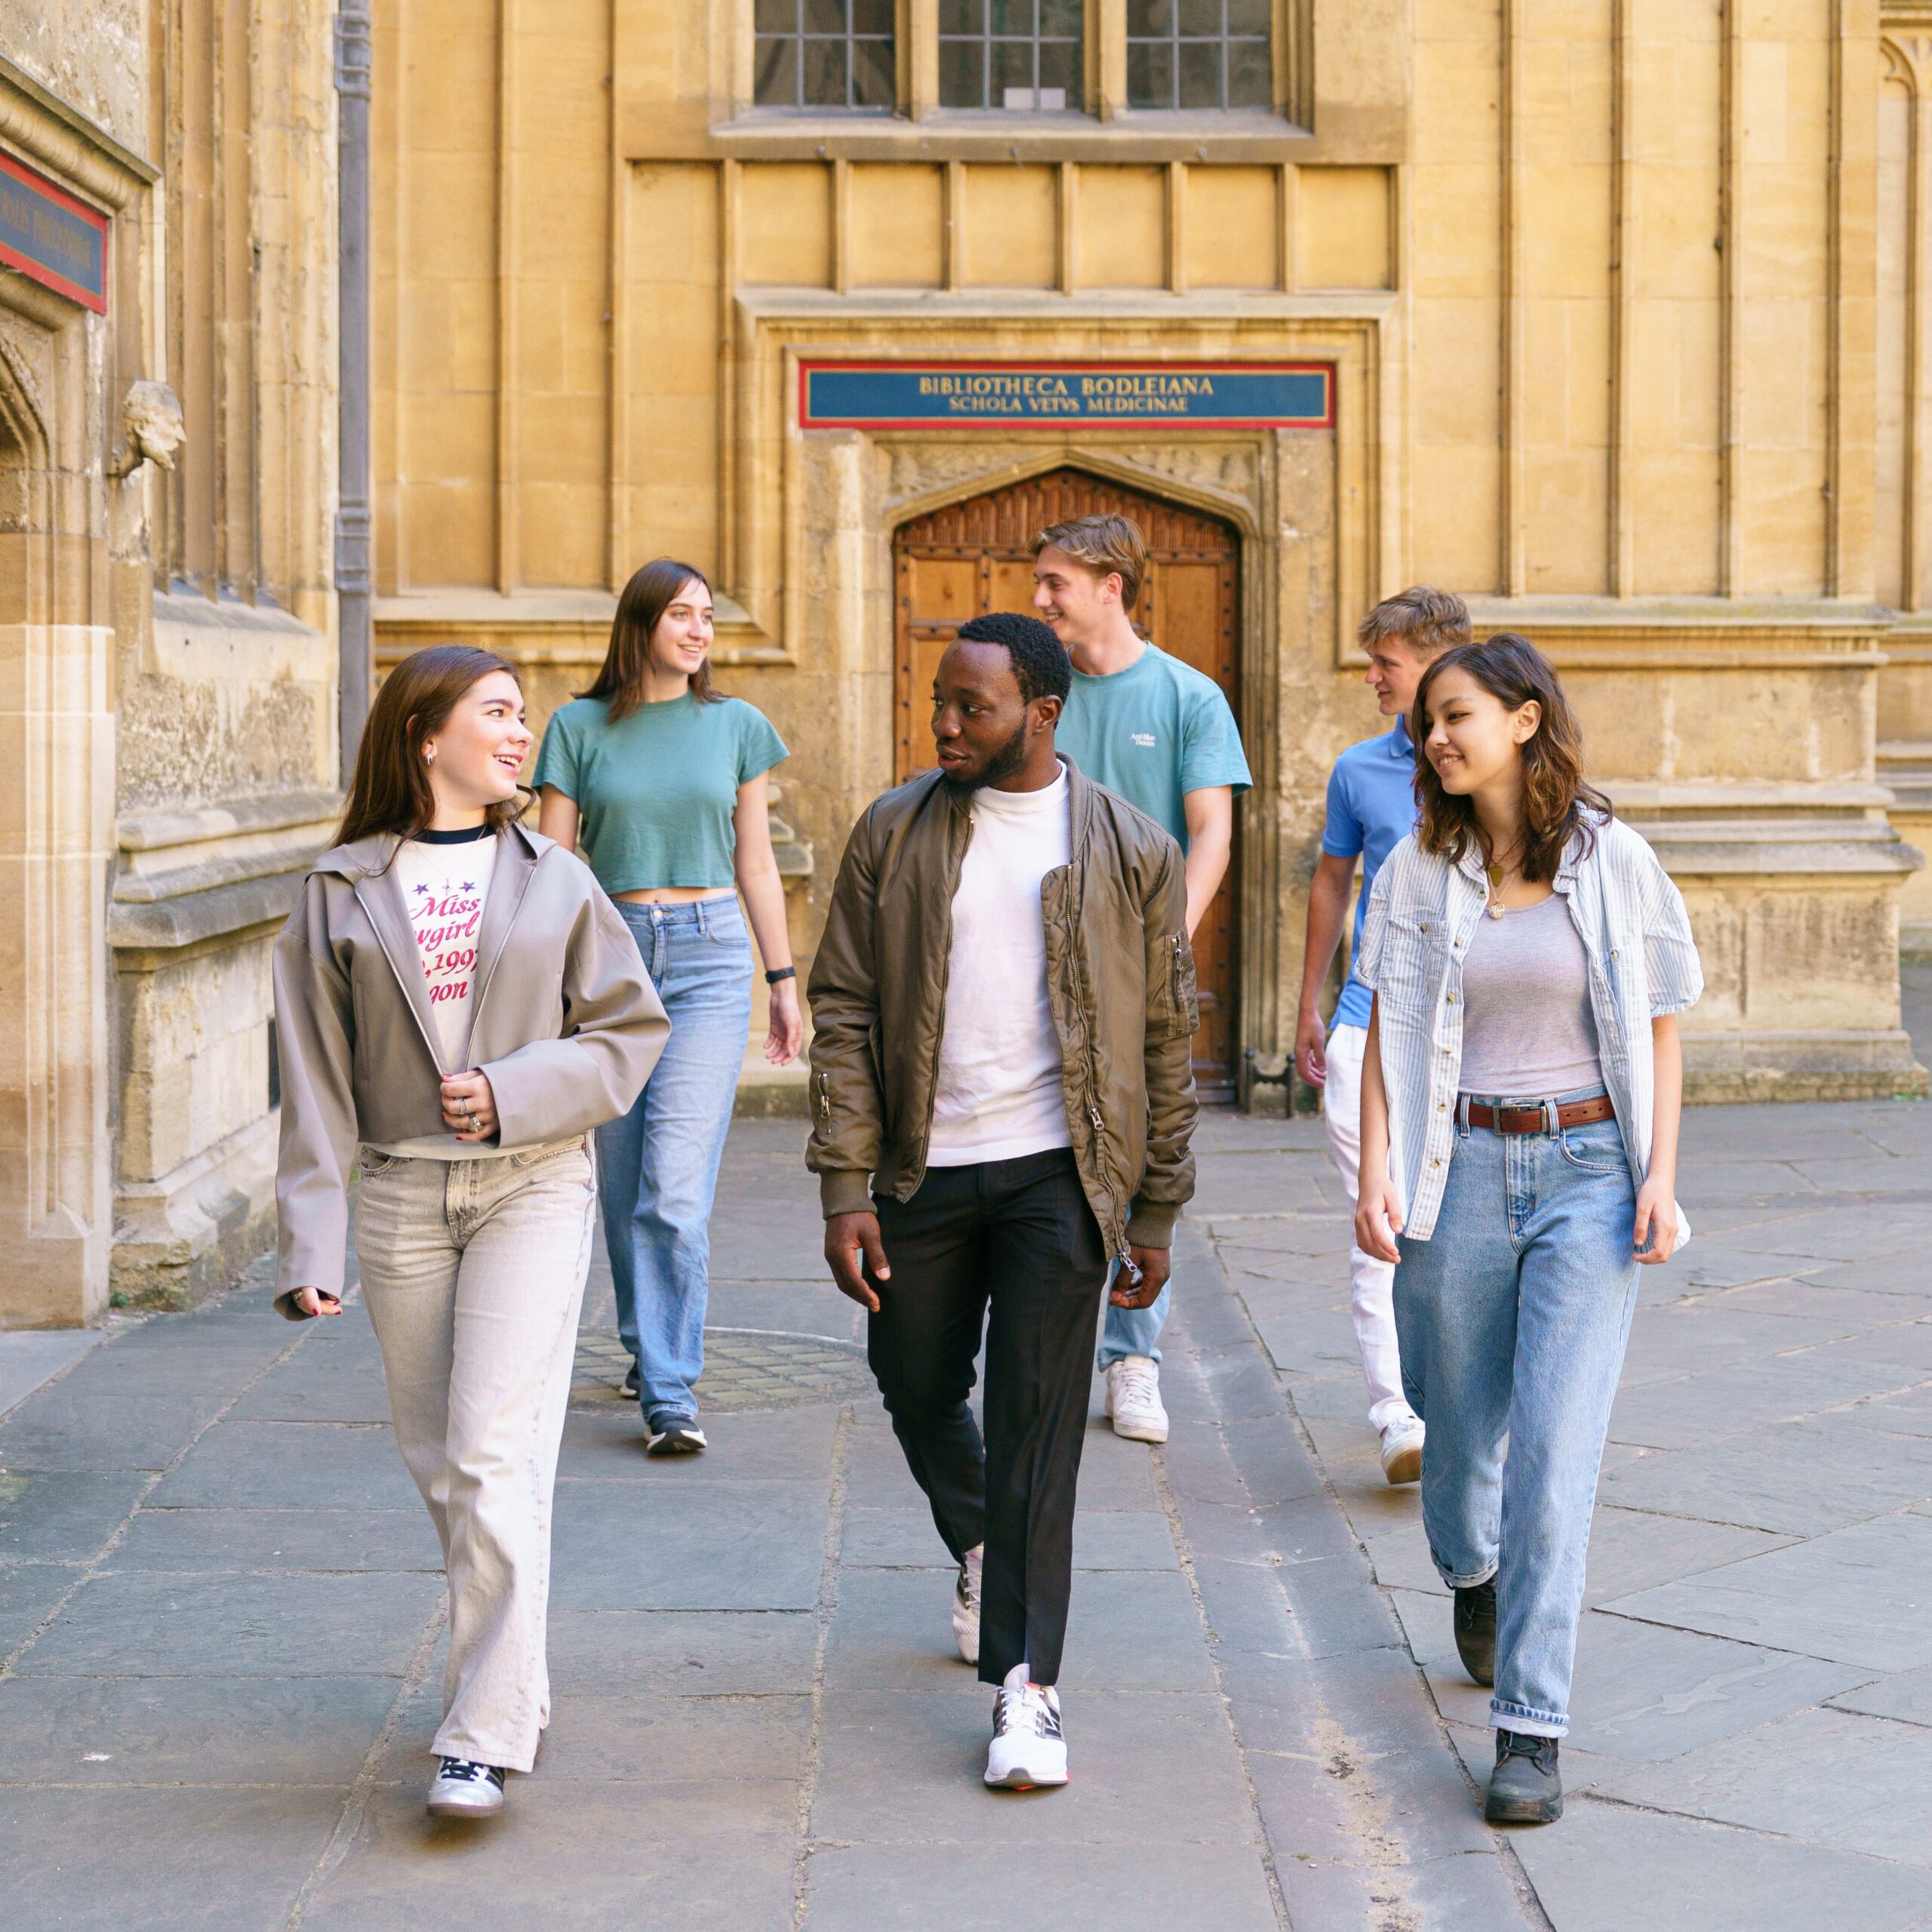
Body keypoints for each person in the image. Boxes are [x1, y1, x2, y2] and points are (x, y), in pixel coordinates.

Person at [272, 645, 669, 1820]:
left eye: (521, 714)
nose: (518, 732)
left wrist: (513, 1090)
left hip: (533, 1186)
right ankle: (516, 1682)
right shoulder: (337, 889)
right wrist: (311, 1243)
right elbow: (313, 1076)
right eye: (496, 712)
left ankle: (479, 1735)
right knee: (446, 1464)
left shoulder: (557, 879)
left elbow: (628, 1034)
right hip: (401, 1194)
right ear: (424, 734)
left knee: (492, 1453)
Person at [808, 611, 1198, 1790]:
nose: (945, 725)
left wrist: (1155, 1210)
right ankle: (981, 1538)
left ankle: (1027, 1687)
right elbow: (845, 1007)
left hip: (1058, 1176)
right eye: (941, 701)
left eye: (971, 708)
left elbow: (1165, 1033)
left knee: (1038, 1423)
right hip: (921, 1171)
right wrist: (844, 1181)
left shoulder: (1133, 848)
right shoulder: (894, 831)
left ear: (1041, 712)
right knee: (914, 1380)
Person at [1352, 634, 1700, 1827]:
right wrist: (1375, 1170)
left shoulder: (1614, 860)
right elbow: (1390, 1026)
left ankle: (1531, 1732)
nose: (1436, 736)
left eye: (1456, 714)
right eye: (1428, 722)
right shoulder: (1415, 869)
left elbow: (1660, 1023)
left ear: (1525, 719)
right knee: (1453, 1428)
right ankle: (1472, 1568)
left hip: (1589, 1172)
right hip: (1454, 1166)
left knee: (1556, 1453)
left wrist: (1660, 1176)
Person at [535, 558, 802, 1454]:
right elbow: (554, 870)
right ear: (641, 623)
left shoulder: (737, 726)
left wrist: (782, 979)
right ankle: (644, 1343)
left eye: (708, 617)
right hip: (611, 961)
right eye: (682, 614)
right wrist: (546, 990)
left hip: (709, 958)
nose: (699, 631)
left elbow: (755, 861)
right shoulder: (577, 728)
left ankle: (670, 1392)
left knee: (674, 1190)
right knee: (620, 1185)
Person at [1032, 512, 1250, 1447]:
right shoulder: (1036, 691)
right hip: (1036, 956)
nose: (1039, 598)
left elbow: (1211, 832)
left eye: (1055, 583)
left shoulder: (1188, 696)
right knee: (1041, 1147)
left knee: (1139, 1155)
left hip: (1139, 966)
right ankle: (1047, 1348)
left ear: (1110, 586)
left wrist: (1168, 946)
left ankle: (1132, 1358)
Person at [1294, 586, 1472, 1485]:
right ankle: (1396, 1412)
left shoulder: (1489, 764)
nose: (1370, 676)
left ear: (1437, 663)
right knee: (1381, 1215)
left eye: (1384, 663)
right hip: (1367, 1022)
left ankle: (1457, 1401)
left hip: (1473, 1032)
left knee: (1461, 1226)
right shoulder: (1358, 770)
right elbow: (1332, 882)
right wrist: (1309, 1003)